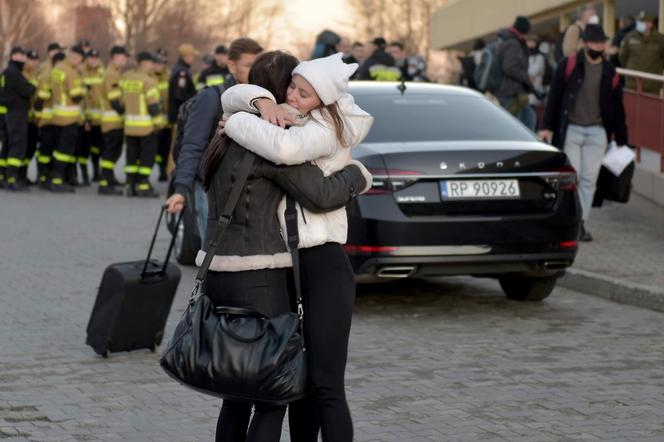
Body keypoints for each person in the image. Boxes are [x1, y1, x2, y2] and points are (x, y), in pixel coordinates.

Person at [220, 52, 374, 442]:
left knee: (325, 385)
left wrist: (238, 121)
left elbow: (290, 158)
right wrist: (262, 107)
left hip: (322, 260)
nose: (294, 95)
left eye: (304, 92)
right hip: (284, 263)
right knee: (294, 383)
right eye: (292, 86)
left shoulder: (321, 129)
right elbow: (235, 97)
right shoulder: (292, 119)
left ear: (322, 99)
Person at [165, 37, 263, 242]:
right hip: (212, 191)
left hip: (250, 191)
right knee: (214, 256)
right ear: (231, 65)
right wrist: (181, 189)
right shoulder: (211, 97)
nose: (255, 71)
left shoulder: (264, 100)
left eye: (258, 65)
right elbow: (192, 145)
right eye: (248, 65)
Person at [539, 25, 628, 242]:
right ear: (586, 43)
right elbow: (554, 98)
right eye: (595, 42)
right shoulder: (569, 65)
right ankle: (570, 220)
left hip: (598, 133)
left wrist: (623, 139)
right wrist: (545, 127)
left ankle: (580, 224)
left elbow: (618, 107)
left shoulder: (610, 71)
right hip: (572, 130)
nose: (599, 46)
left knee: (589, 180)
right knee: (575, 177)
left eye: (602, 42)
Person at [120, 51, 161, 197]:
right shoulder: (148, 81)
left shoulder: (126, 78)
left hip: (129, 126)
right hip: (146, 128)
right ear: (146, 63)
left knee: (131, 156)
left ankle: (130, 184)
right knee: (146, 157)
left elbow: (121, 102)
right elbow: (153, 107)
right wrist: (158, 125)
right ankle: (143, 185)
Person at [49, 45, 86, 192]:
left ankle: (56, 177)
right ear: (75, 57)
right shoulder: (71, 72)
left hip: (57, 115)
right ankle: (58, 180)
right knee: (65, 151)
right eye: (79, 60)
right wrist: (84, 89)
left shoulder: (57, 69)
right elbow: (76, 96)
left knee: (58, 149)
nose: (79, 63)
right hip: (69, 118)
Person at [0, 47, 36, 191]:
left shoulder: (8, 72)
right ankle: (12, 178)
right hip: (16, 113)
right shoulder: (12, 73)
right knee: (18, 145)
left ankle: (3, 175)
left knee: (8, 145)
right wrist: (32, 87)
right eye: (22, 55)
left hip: (11, 112)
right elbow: (27, 90)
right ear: (14, 56)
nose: (24, 58)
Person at [495, 16, 538, 131]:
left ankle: (527, 147)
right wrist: (526, 77)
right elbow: (509, 67)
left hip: (514, 93)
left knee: (530, 117)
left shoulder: (506, 39)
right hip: (510, 93)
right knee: (513, 127)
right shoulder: (513, 43)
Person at [97, 45, 128, 196]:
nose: (124, 60)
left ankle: (109, 178)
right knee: (110, 152)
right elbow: (114, 100)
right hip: (111, 121)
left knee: (115, 151)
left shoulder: (117, 73)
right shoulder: (111, 74)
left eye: (125, 57)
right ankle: (105, 183)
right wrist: (126, 110)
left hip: (116, 121)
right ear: (113, 58)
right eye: (121, 57)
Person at [34, 50, 65, 188]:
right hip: (47, 120)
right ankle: (42, 175)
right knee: (45, 149)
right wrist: (38, 117)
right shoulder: (47, 76)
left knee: (53, 149)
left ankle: (49, 175)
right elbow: (39, 100)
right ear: (56, 63)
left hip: (57, 119)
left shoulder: (60, 76)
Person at [619, 11, 664, 95]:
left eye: (643, 22)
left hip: (652, 86)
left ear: (650, 24)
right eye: (639, 21)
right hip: (632, 84)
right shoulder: (629, 37)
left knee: (650, 107)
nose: (640, 24)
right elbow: (623, 57)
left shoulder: (660, 39)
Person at [79, 48, 105, 185]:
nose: (94, 60)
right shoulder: (81, 71)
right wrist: (86, 117)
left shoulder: (102, 70)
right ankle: (84, 174)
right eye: (91, 58)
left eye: (96, 58)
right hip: (86, 116)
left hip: (100, 117)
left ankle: (96, 172)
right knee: (84, 147)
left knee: (98, 147)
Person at [168, 43, 199, 126]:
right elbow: (180, 95)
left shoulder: (180, 69)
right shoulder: (182, 72)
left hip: (180, 114)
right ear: (187, 56)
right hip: (180, 116)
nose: (194, 59)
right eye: (193, 56)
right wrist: (195, 100)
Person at [153, 50, 171, 182]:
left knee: (165, 148)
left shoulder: (168, 76)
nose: (160, 66)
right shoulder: (149, 77)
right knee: (155, 148)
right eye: (158, 63)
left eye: (163, 63)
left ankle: (162, 171)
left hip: (166, 120)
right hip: (153, 120)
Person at [527, 36, 547, 106]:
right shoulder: (526, 55)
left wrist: (529, 75)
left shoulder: (539, 56)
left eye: (531, 42)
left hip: (536, 83)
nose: (529, 44)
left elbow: (536, 69)